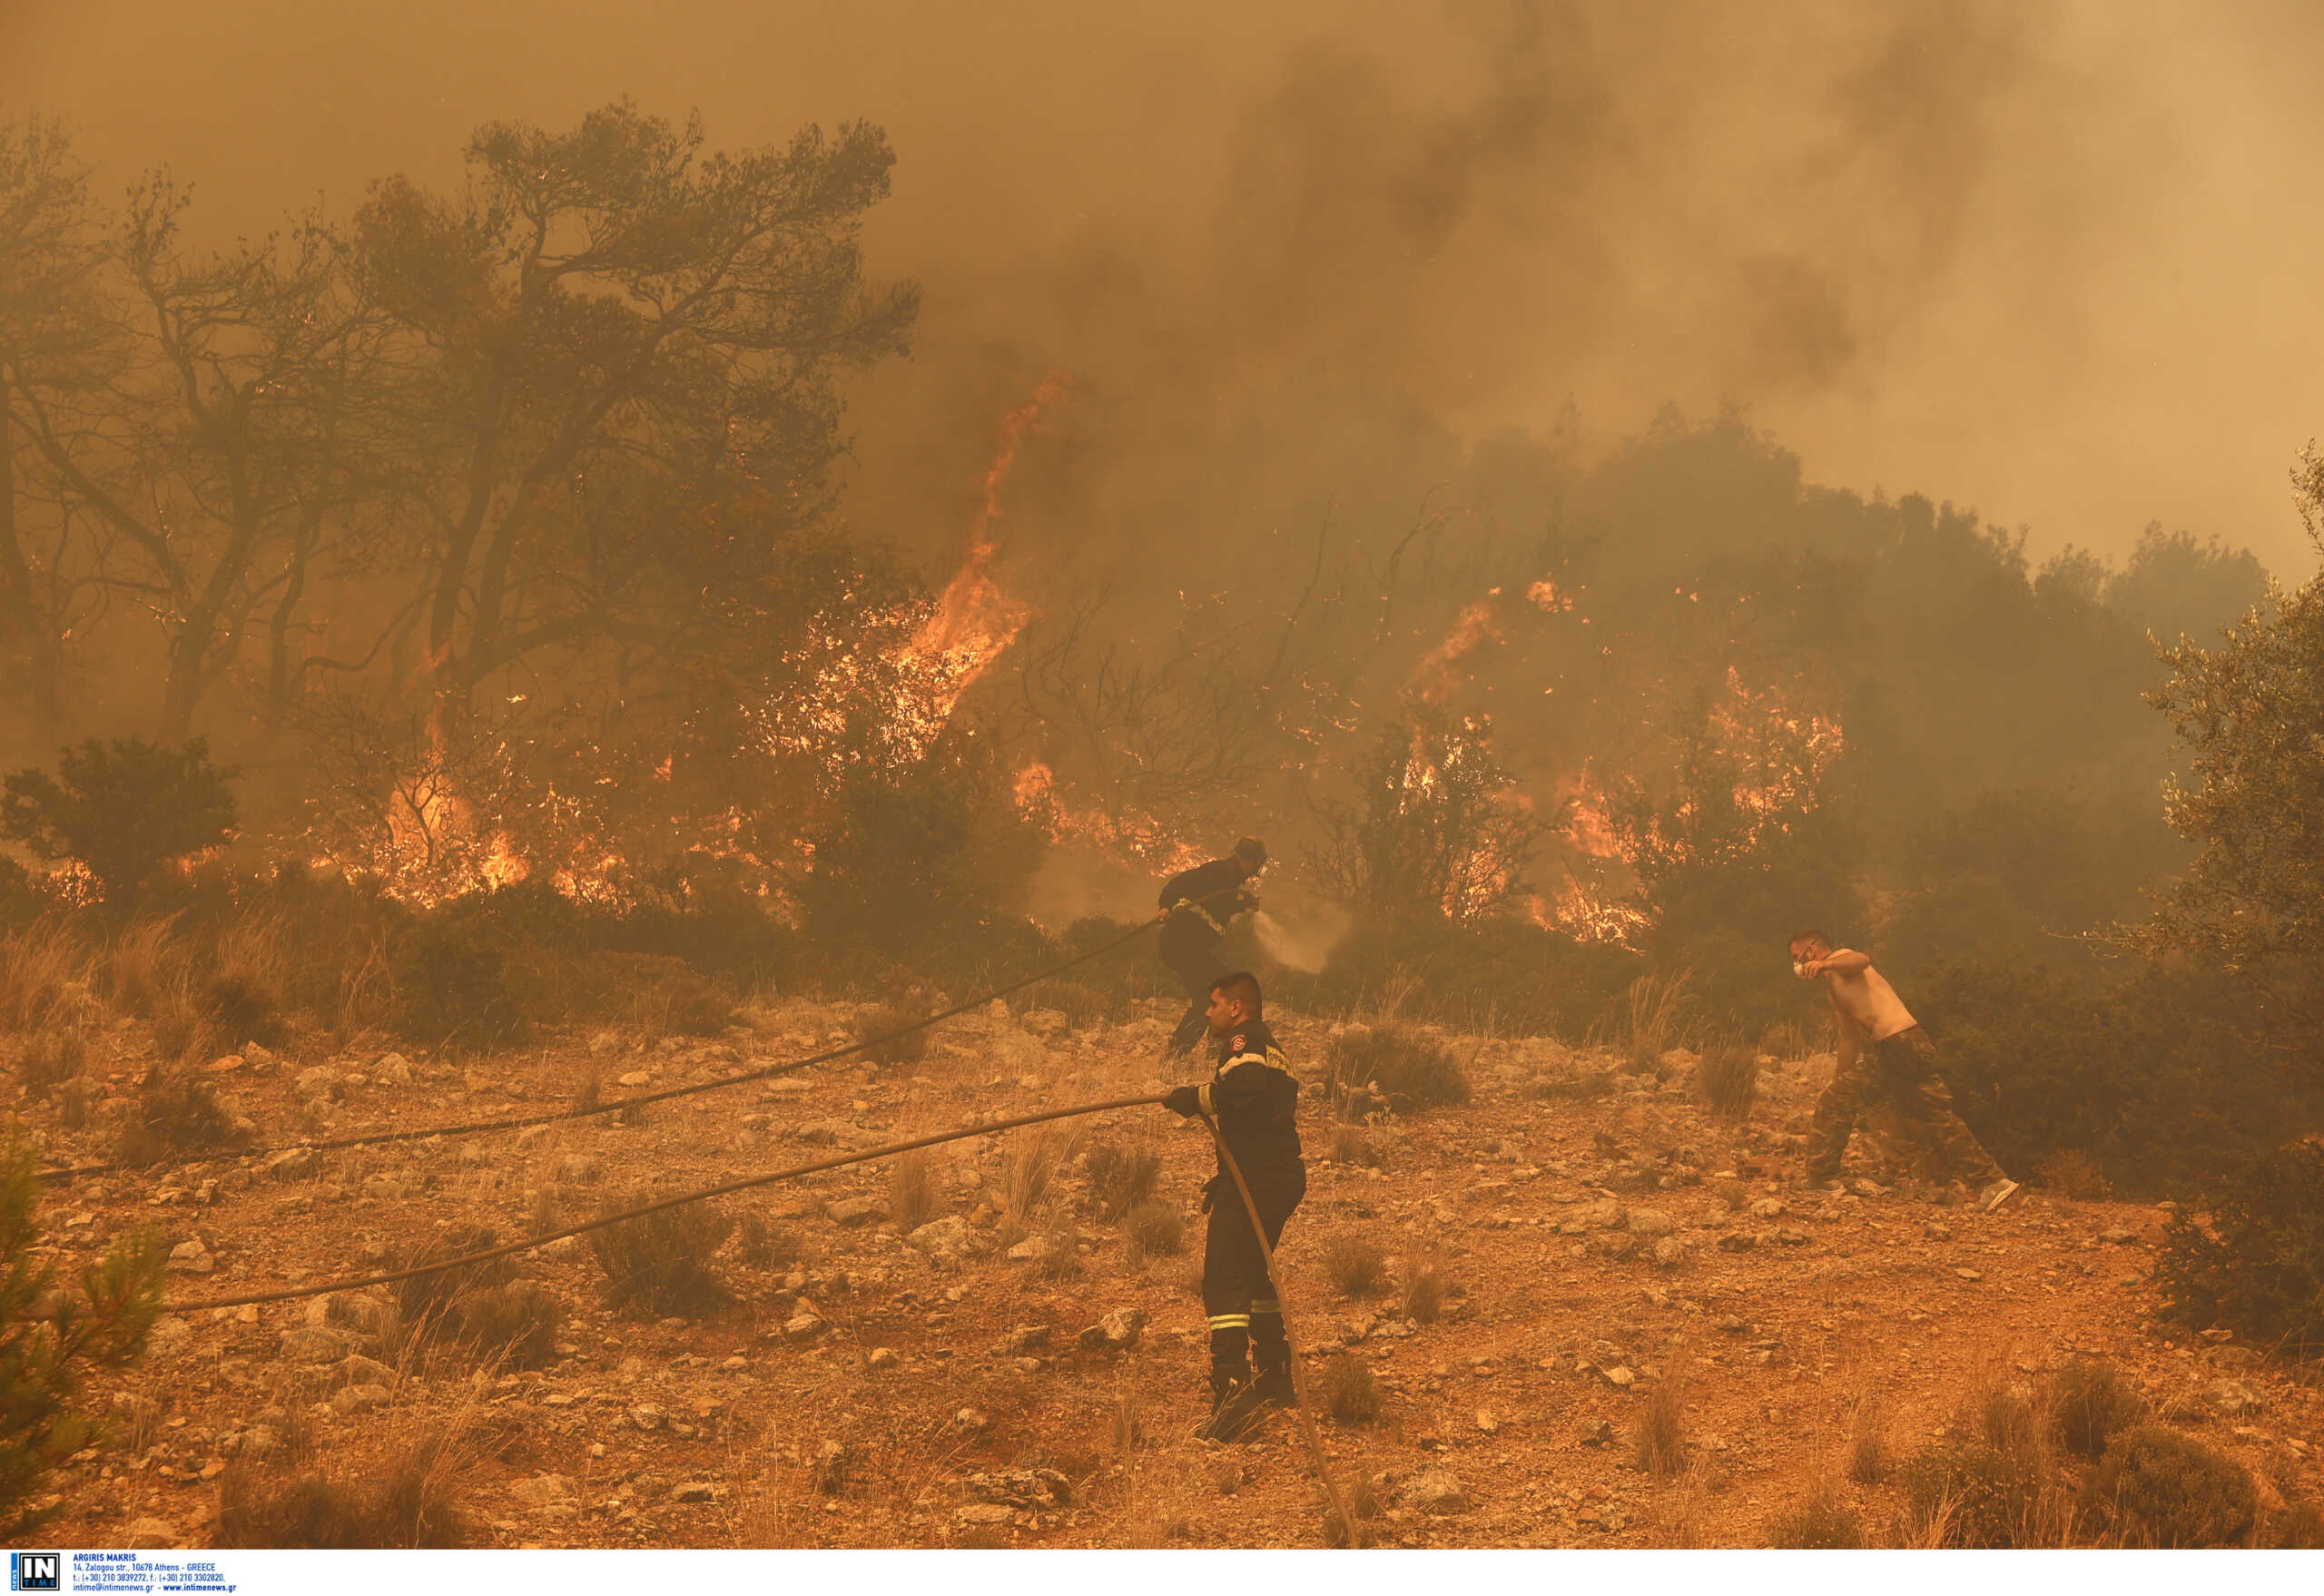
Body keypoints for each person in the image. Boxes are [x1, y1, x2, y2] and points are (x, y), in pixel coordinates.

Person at [1160, 970, 1306, 1442]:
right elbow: (1258, 1113)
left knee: (1224, 1280)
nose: (1207, 1013)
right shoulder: (1270, 1045)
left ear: (1236, 1008)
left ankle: (1232, 1401)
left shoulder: (1246, 1041)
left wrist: (1194, 1099)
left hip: (1259, 1182)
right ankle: (1275, 1379)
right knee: (1255, 1272)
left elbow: (1244, 1090)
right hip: (1270, 1178)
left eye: (1214, 1004)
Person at [1790, 928, 2020, 1212]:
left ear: (1811, 951)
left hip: (1901, 1043)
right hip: (1898, 1048)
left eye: (1798, 957)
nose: (1797, 966)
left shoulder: (1840, 960)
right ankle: (1993, 1181)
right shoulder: (1834, 990)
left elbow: (1862, 959)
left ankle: (1821, 1178)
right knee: (1932, 1115)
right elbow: (1849, 1038)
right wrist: (1839, 1081)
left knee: (1932, 1115)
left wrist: (1826, 963)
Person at [1156, 838, 1267, 1057]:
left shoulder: (1230, 879)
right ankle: (1177, 1054)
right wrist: (1165, 907)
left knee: (1222, 989)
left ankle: (1214, 1048)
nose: (1255, 871)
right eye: (1256, 865)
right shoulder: (1220, 871)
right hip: (1182, 943)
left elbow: (1220, 903)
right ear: (1248, 861)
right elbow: (1181, 884)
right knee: (1210, 998)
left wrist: (1243, 902)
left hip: (1189, 945)